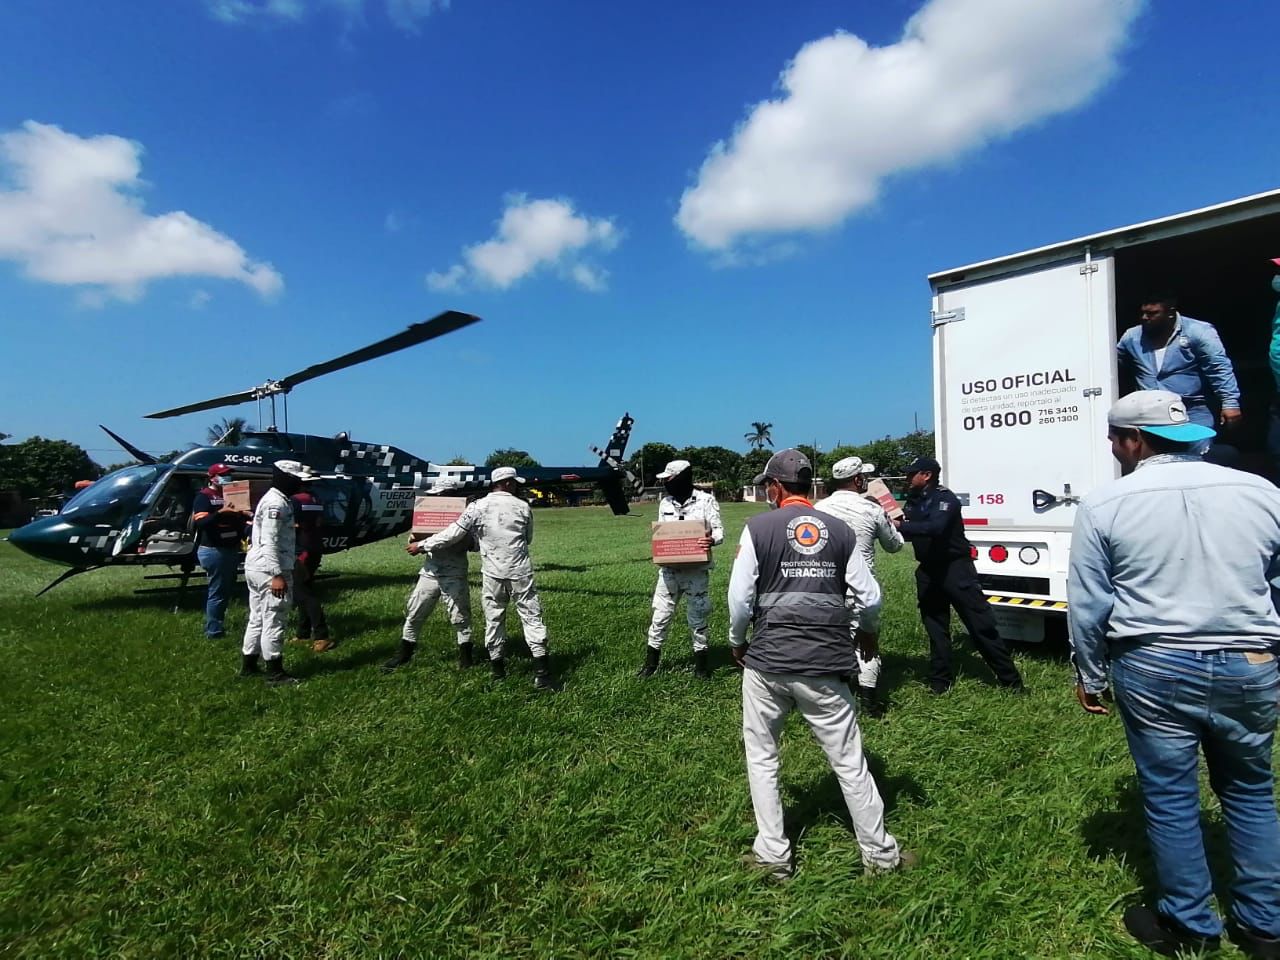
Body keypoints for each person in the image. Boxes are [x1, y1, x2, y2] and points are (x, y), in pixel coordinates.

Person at [1068, 390, 1280, 959]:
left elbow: (1089, 604)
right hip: (1252, 661)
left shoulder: (1106, 503)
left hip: (1155, 662)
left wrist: (1090, 676)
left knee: (1170, 797)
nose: (1113, 448)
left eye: (1115, 438)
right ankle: (1264, 928)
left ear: (1135, 440)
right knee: (1252, 790)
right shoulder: (1262, 492)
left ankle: (1190, 923)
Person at [729, 448, 914, 880]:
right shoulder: (840, 530)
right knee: (850, 762)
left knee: (763, 757)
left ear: (775, 487)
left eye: (765, 486)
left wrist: (737, 642)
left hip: (769, 662)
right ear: (809, 486)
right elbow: (869, 597)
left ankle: (774, 857)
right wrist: (868, 631)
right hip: (826, 664)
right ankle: (881, 857)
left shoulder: (757, 527)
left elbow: (739, 600)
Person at [897, 456, 1024, 694]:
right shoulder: (914, 501)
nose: (907, 478)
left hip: (955, 570)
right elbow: (911, 533)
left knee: (981, 627)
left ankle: (1012, 682)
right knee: (935, 628)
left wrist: (900, 526)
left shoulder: (945, 499)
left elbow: (936, 528)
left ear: (926, 475)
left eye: (910, 473)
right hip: (929, 570)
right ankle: (939, 682)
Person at [421, 466, 554, 689]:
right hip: (520, 572)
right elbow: (528, 538)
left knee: (493, 619)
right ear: (509, 483)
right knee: (531, 618)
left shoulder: (477, 507)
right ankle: (542, 672)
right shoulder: (522, 507)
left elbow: (453, 533)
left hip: (493, 574)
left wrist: (424, 544)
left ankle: (498, 672)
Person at [816, 456, 904, 716]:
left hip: (826, 587)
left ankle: (833, 695)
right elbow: (895, 545)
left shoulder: (819, 507)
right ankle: (869, 701)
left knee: (831, 640)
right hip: (860, 588)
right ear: (858, 480)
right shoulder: (872, 509)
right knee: (866, 642)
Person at [637, 459, 724, 680]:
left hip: (696, 571)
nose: (666, 483)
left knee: (698, 617)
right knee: (660, 616)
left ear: (683, 477)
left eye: (670, 478)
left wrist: (710, 540)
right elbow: (662, 531)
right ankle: (650, 664)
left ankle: (701, 667)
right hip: (669, 572)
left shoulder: (706, 501)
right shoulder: (665, 503)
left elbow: (719, 531)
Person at [1117, 295, 1242, 435]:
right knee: (1156, 455)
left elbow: (1218, 367)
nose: (1145, 318)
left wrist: (1230, 402)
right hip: (1149, 413)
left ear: (1170, 313)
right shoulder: (1132, 337)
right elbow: (1112, 363)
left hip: (1191, 410)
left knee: (1196, 452)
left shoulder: (1197, 331)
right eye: (1142, 313)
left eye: (1152, 313)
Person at [384, 486, 476, 673]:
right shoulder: (427, 513)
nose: (438, 499)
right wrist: (416, 540)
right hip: (431, 571)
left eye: (442, 496)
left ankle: (466, 657)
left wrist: (423, 544)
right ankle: (405, 653)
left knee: (460, 615)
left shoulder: (465, 517)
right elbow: (414, 537)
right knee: (415, 610)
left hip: (454, 571)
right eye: (436, 496)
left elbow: (472, 543)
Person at [240, 460, 309, 685]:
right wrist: (277, 574)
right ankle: (275, 673)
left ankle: (249, 664)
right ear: (287, 479)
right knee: (274, 619)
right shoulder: (276, 505)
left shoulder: (275, 500)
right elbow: (270, 542)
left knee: (257, 617)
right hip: (269, 569)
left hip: (257, 566)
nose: (300, 484)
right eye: (297, 480)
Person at [191, 463, 247, 639]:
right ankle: (214, 631)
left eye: (229, 474)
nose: (228, 477)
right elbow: (201, 523)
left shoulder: (230, 493)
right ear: (212, 477)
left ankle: (217, 625)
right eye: (223, 474)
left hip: (230, 548)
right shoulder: (204, 497)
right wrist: (221, 512)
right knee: (218, 592)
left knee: (225, 589)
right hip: (214, 549)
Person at [290, 474, 333, 652]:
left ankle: (322, 635)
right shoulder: (316, 500)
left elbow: (288, 523)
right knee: (303, 591)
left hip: (301, 551)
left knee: (304, 593)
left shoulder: (294, 500)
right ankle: (303, 632)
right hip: (314, 549)